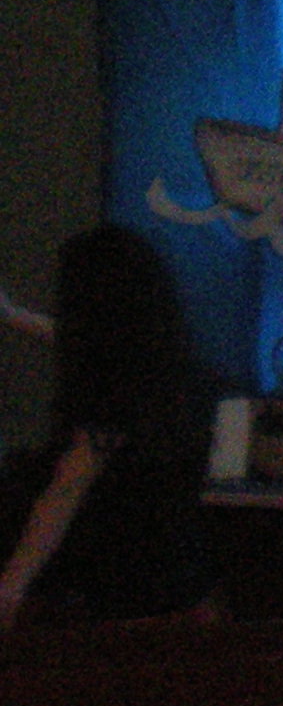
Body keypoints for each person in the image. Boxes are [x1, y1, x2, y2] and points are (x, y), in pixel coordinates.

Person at [0, 226, 220, 632]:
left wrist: (10, 587)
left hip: (118, 602)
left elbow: (64, 493)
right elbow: (89, 341)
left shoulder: (113, 392)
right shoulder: (182, 372)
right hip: (182, 589)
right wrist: (14, 316)